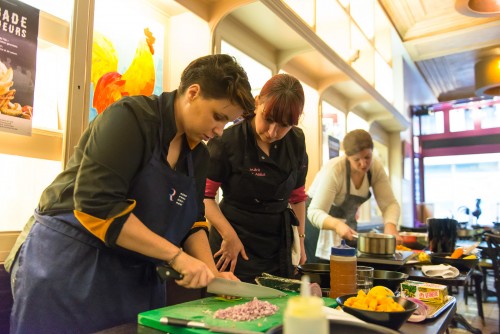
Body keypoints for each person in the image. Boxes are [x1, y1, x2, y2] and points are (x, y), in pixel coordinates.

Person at [7, 54, 255, 334]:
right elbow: (97, 206)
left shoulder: (198, 155)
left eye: (227, 123)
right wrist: (176, 257)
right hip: (70, 264)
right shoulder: (130, 118)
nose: (220, 131)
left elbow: (193, 222)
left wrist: (212, 278)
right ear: (193, 93)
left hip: (131, 274)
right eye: (218, 117)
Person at [204, 73, 308, 283]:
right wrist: (229, 235)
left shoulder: (296, 141)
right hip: (233, 245)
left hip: (278, 245)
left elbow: (297, 197)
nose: (272, 132)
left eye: (284, 125)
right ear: (257, 102)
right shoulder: (228, 140)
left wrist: (301, 243)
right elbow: (204, 197)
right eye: (268, 119)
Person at [305, 129, 401, 263]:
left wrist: (390, 225)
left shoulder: (375, 168)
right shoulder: (335, 169)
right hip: (316, 222)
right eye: (357, 160)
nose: (363, 164)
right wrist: (337, 225)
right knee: (320, 273)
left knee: (347, 269)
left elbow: (390, 203)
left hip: (344, 223)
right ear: (347, 157)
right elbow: (315, 211)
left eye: (367, 157)